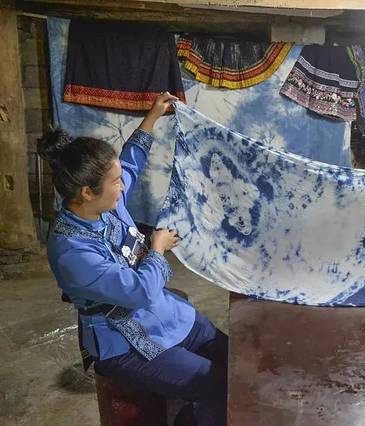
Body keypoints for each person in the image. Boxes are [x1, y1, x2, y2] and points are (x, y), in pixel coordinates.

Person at [39, 92, 227, 426]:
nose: (122, 185)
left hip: (166, 314)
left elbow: (130, 162)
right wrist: (157, 249)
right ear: (87, 192)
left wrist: (152, 117)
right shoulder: (71, 251)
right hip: (125, 343)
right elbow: (140, 291)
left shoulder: (105, 206)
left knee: (235, 360)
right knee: (213, 385)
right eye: (115, 182)